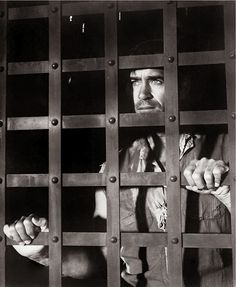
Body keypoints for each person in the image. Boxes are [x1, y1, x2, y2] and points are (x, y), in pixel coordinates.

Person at [3, 66, 232, 287]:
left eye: (156, 80)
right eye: (135, 82)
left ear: (184, 86)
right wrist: (43, 252)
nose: (143, 94)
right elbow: (103, 261)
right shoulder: (114, 168)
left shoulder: (226, 150)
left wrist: (227, 193)